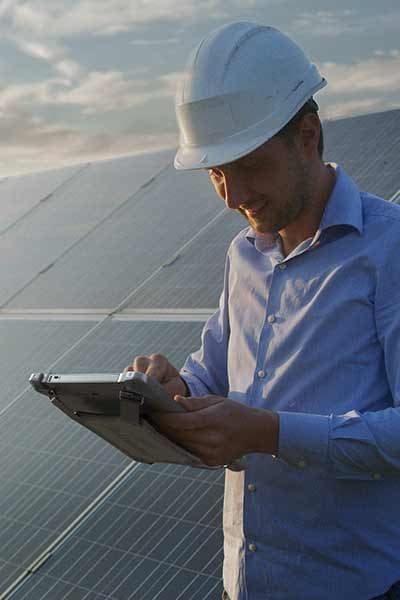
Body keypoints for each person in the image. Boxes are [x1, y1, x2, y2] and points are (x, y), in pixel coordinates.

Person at [125, 22, 400, 600]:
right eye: (217, 173)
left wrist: (270, 433)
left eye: (247, 165)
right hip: (243, 585)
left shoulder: (390, 251)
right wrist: (176, 386)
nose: (230, 195)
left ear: (307, 135)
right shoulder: (242, 256)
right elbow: (217, 372)